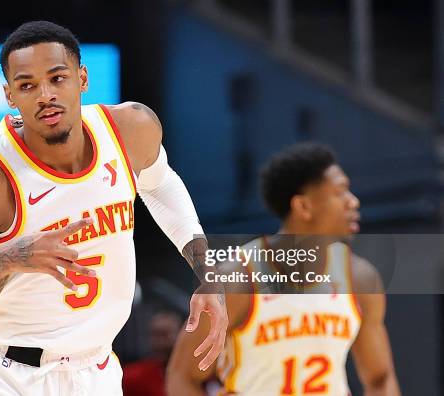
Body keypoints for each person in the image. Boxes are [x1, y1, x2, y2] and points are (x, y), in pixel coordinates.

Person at [0, 21, 227, 395]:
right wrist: (4, 261)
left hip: (96, 369)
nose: (45, 95)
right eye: (27, 85)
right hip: (6, 375)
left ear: (82, 79)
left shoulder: (130, 129)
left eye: (57, 78)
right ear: (9, 96)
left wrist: (209, 274)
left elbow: (161, 184)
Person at [166, 143, 401, 395]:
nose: (353, 202)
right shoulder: (238, 279)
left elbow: (380, 378)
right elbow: (182, 376)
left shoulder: (360, 278)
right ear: (303, 207)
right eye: (340, 192)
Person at [122, 311, 182, 396]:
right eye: (155, 335)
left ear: (180, 336)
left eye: (165, 335)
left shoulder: (196, 375)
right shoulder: (132, 376)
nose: (159, 343)